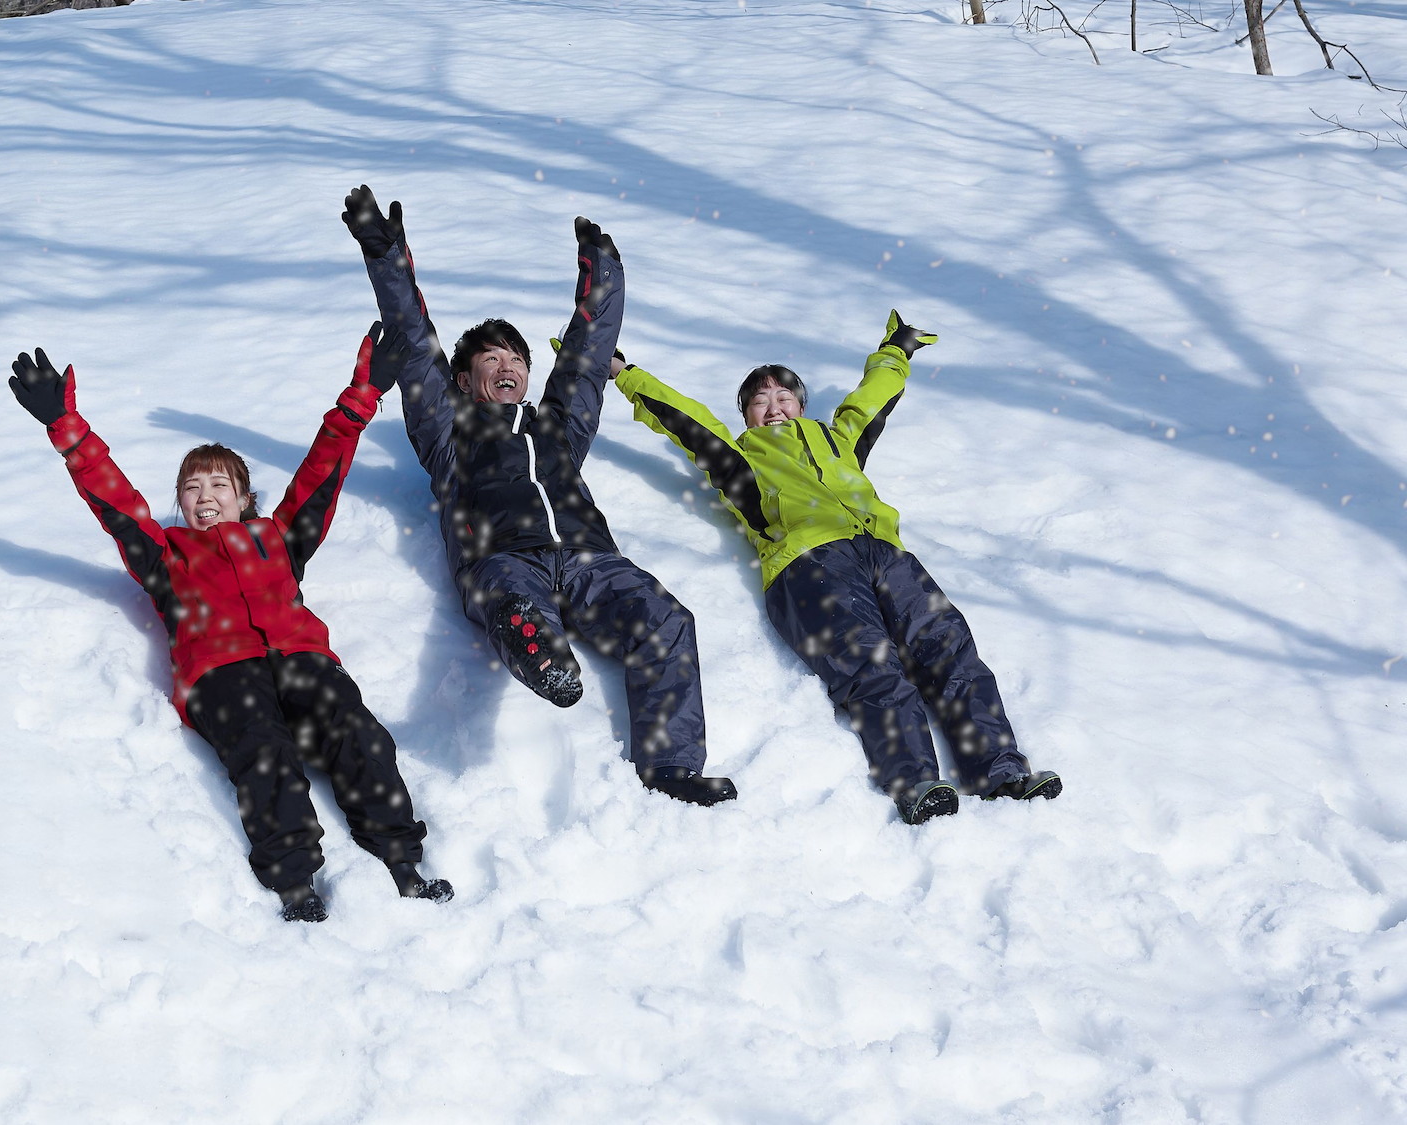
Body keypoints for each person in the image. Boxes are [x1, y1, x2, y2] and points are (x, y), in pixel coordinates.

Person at [5, 326, 453, 921]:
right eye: (192, 488)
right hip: (221, 672)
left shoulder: (280, 537)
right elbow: (115, 505)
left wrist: (362, 393)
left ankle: (402, 863)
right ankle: (295, 882)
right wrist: (68, 431)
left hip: (301, 658)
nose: (205, 495)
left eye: (220, 484)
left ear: (246, 499)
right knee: (262, 752)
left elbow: (324, 471)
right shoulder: (167, 556)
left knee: (357, 733)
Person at [343, 185, 735, 807]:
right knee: (513, 603)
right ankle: (540, 650)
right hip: (500, 558)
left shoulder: (557, 425)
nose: (509, 367)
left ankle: (672, 769)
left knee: (667, 619)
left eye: (518, 359)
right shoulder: (447, 432)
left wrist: (604, 272)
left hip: (589, 559)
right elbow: (416, 349)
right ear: (464, 382)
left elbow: (584, 358)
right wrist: (388, 259)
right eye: (491, 360)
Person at [610, 312, 1062, 823]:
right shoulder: (740, 458)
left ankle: (1001, 773)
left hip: (887, 554)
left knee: (952, 652)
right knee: (871, 665)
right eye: (759, 402)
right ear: (746, 418)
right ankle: (915, 782)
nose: (773, 407)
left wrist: (896, 350)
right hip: (808, 566)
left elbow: (870, 400)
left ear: (802, 406)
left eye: (783, 397)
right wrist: (625, 373)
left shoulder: (837, 442)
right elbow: (683, 417)